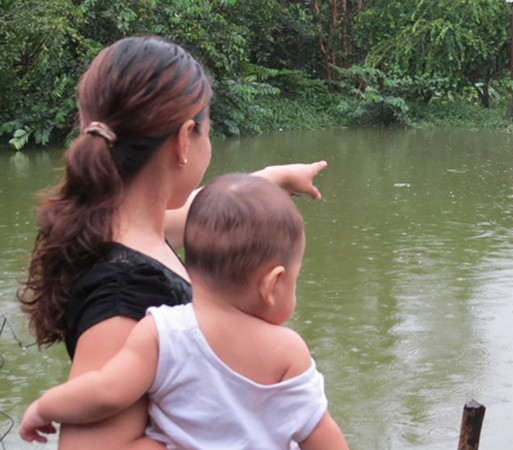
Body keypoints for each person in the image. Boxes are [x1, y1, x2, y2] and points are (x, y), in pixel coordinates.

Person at [17, 35, 328, 448]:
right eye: (207, 132)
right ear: (185, 140)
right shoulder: (126, 292)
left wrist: (269, 180)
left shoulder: (123, 229)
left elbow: (205, 221)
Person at [20, 174, 349, 449]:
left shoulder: (161, 332)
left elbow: (106, 392)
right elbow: (324, 439)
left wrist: (45, 406)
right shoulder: (288, 352)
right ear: (272, 284)